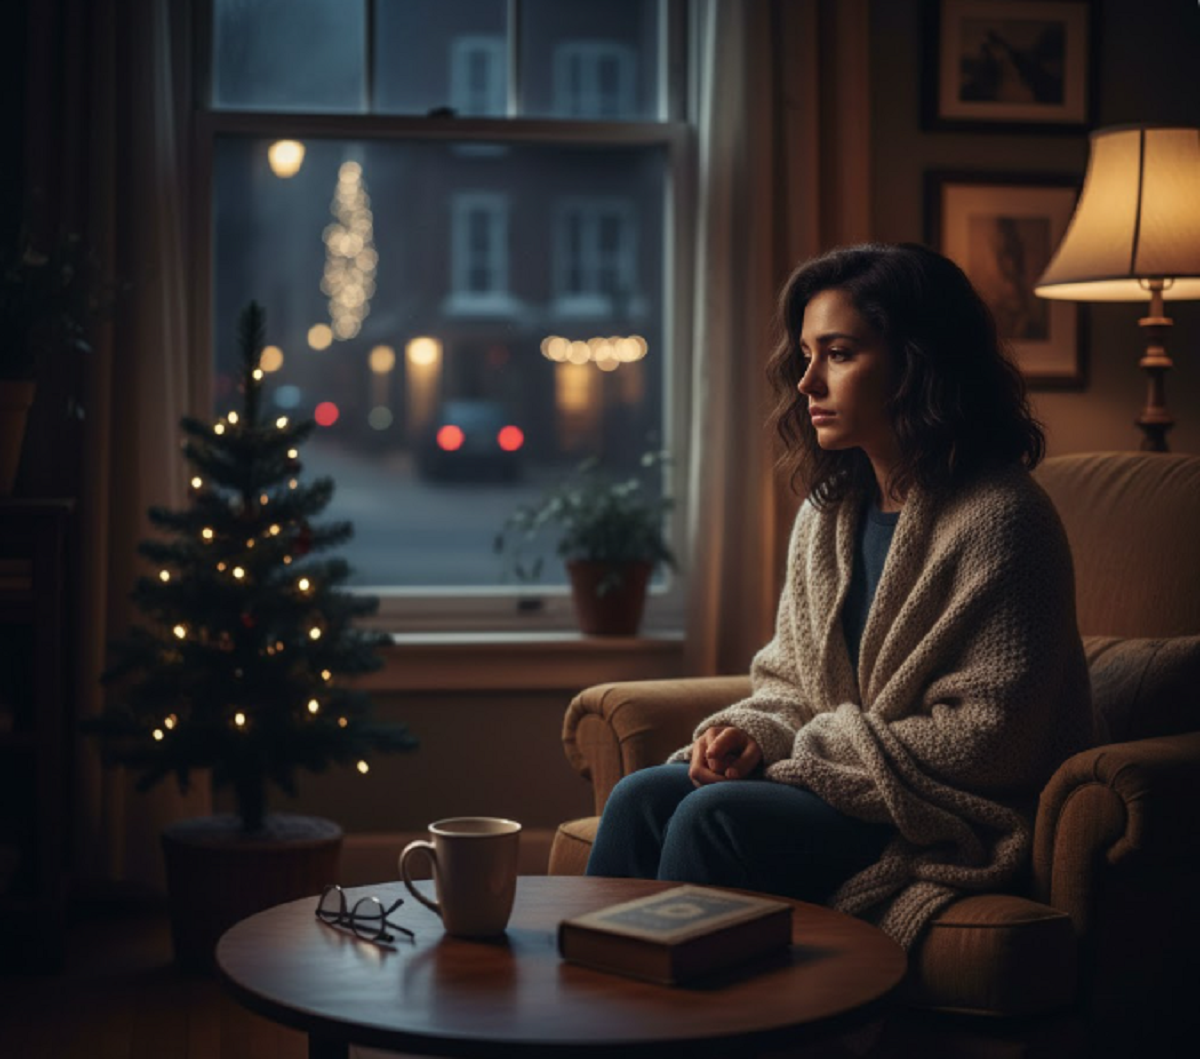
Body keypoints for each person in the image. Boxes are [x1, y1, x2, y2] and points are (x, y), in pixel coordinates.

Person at [585, 243, 1093, 950]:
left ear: (917, 363)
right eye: (805, 355)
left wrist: (804, 750)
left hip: (936, 812)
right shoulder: (828, 512)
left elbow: (991, 739)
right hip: (842, 782)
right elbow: (790, 682)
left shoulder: (1003, 518)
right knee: (640, 796)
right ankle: (595, 1017)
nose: (807, 382)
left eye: (840, 353)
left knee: (716, 817)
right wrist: (749, 734)